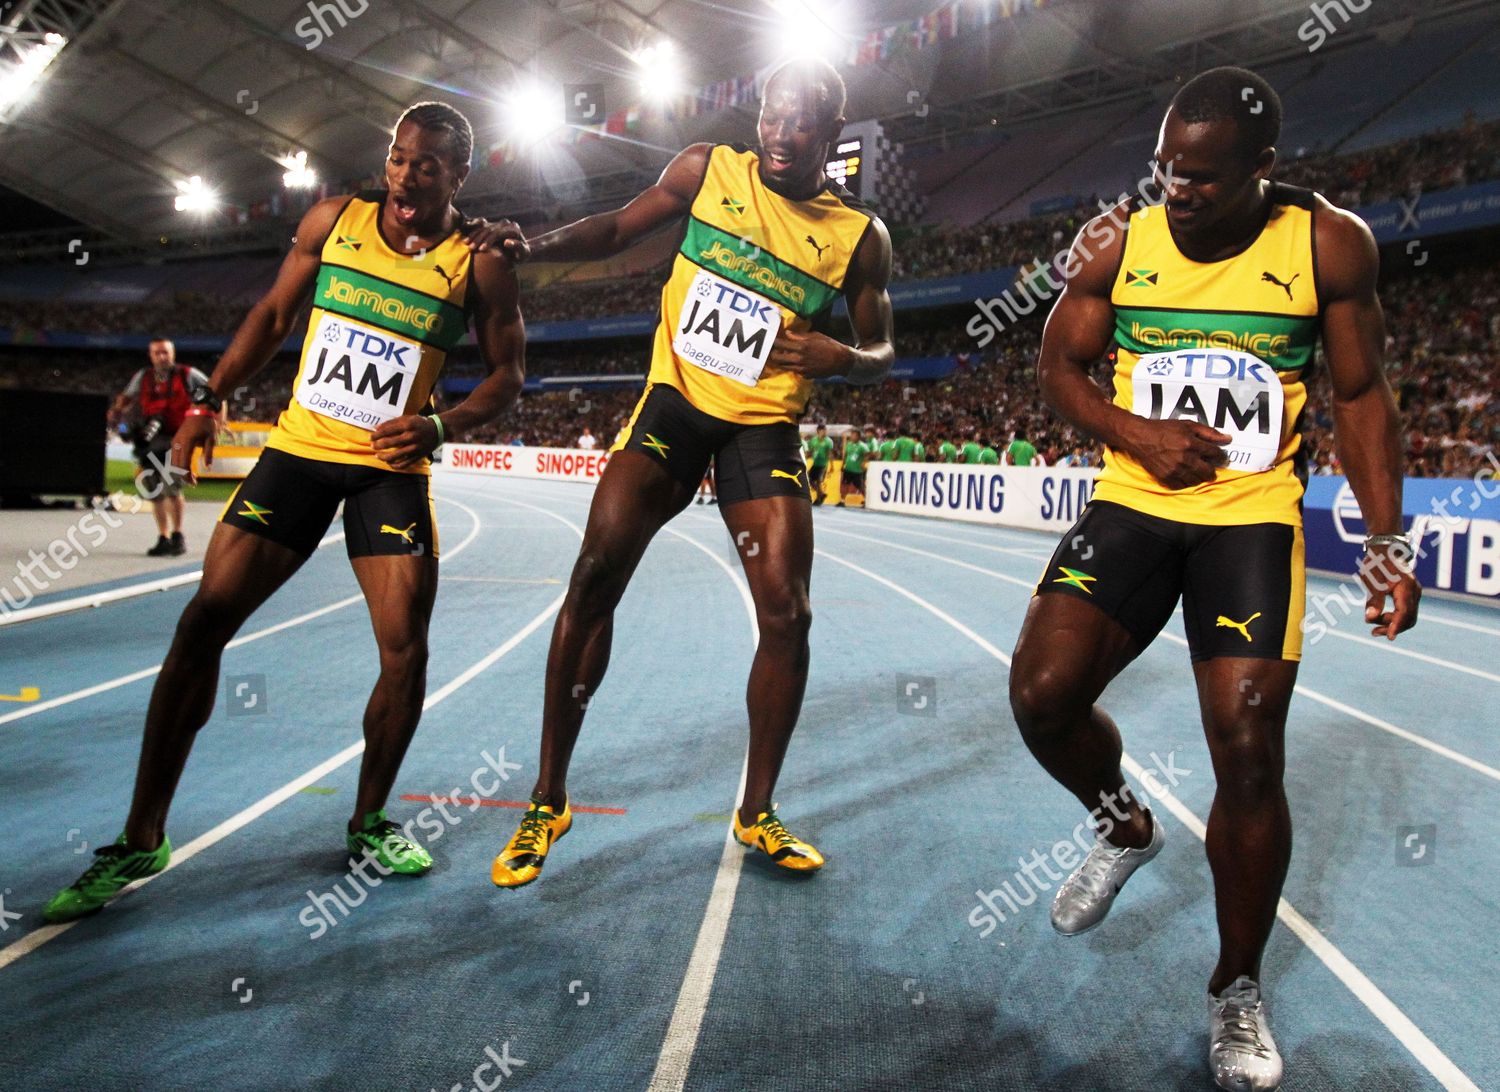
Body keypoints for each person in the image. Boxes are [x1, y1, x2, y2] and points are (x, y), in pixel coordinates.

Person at [1007, 68, 1420, 1090]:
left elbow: (1363, 397)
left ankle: (1236, 987)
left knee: (1245, 750)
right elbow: (1057, 370)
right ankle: (1124, 824)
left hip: (1249, 516)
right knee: (1041, 695)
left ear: (1261, 171)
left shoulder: (1328, 245)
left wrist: (1384, 540)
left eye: (1198, 178)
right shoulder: (1117, 242)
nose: (1174, 192)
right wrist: (1134, 431)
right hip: (1136, 502)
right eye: (1163, 171)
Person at [45, 102, 527, 923]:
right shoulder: (333, 221)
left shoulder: (478, 261)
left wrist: (442, 425)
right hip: (300, 453)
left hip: (388, 470)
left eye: (431, 163)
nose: (410, 174)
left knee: (404, 649)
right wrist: (211, 398)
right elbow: (272, 316)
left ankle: (370, 820)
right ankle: (140, 836)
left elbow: (509, 375)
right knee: (203, 620)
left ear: (461, 174)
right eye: (401, 157)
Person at [487, 58, 894, 887]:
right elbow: (614, 229)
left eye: (800, 122)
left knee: (787, 613)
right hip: (675, 404)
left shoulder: (859, 237)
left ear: (830, 134)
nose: (780, 134)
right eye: (771, 116)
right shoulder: (708, 169)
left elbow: (883, 351)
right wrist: (532, 246)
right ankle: (547, 799)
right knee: (594, 575)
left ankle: (757, 811)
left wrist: (841, 354)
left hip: (762, 426)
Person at [109, 339, 211, 557]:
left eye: (165, 352)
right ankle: (163, 536)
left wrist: (217, 421)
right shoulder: (143, 377)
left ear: (173, 353)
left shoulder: (187, 374)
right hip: (151, 440)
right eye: (157, 353)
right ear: (151, 355)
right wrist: (117, 412)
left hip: (178, 438)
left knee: (171, 488)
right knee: (153, 491)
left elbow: (213, 392)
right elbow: (126, 398)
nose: (162, 357)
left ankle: (178, 534)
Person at [803, 423, 835, 506]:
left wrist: (832, 465)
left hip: (823, 465)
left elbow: (830, 454)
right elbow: (810, 451)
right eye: (823, 430)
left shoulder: (829, 441)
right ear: (818, 431)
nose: (825, 432)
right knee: (809, 480)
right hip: (815, 464)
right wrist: (805, 457)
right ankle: (821, 494)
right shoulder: (813, 440)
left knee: (819, 481)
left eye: (825, 430)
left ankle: (819, 497)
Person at [837, 426, 867, 506]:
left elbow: (867, 455)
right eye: (852, 435)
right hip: (848, 468)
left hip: (857, 470)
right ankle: (842, 500)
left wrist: (863, 462)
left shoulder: (863, 446)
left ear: (859, 437)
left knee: (860, 486)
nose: (852, 437)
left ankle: (866, 500)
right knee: (845, 485)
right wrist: (843, 465)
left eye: (854, 435)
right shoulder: (848, 444)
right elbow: (846, 455)